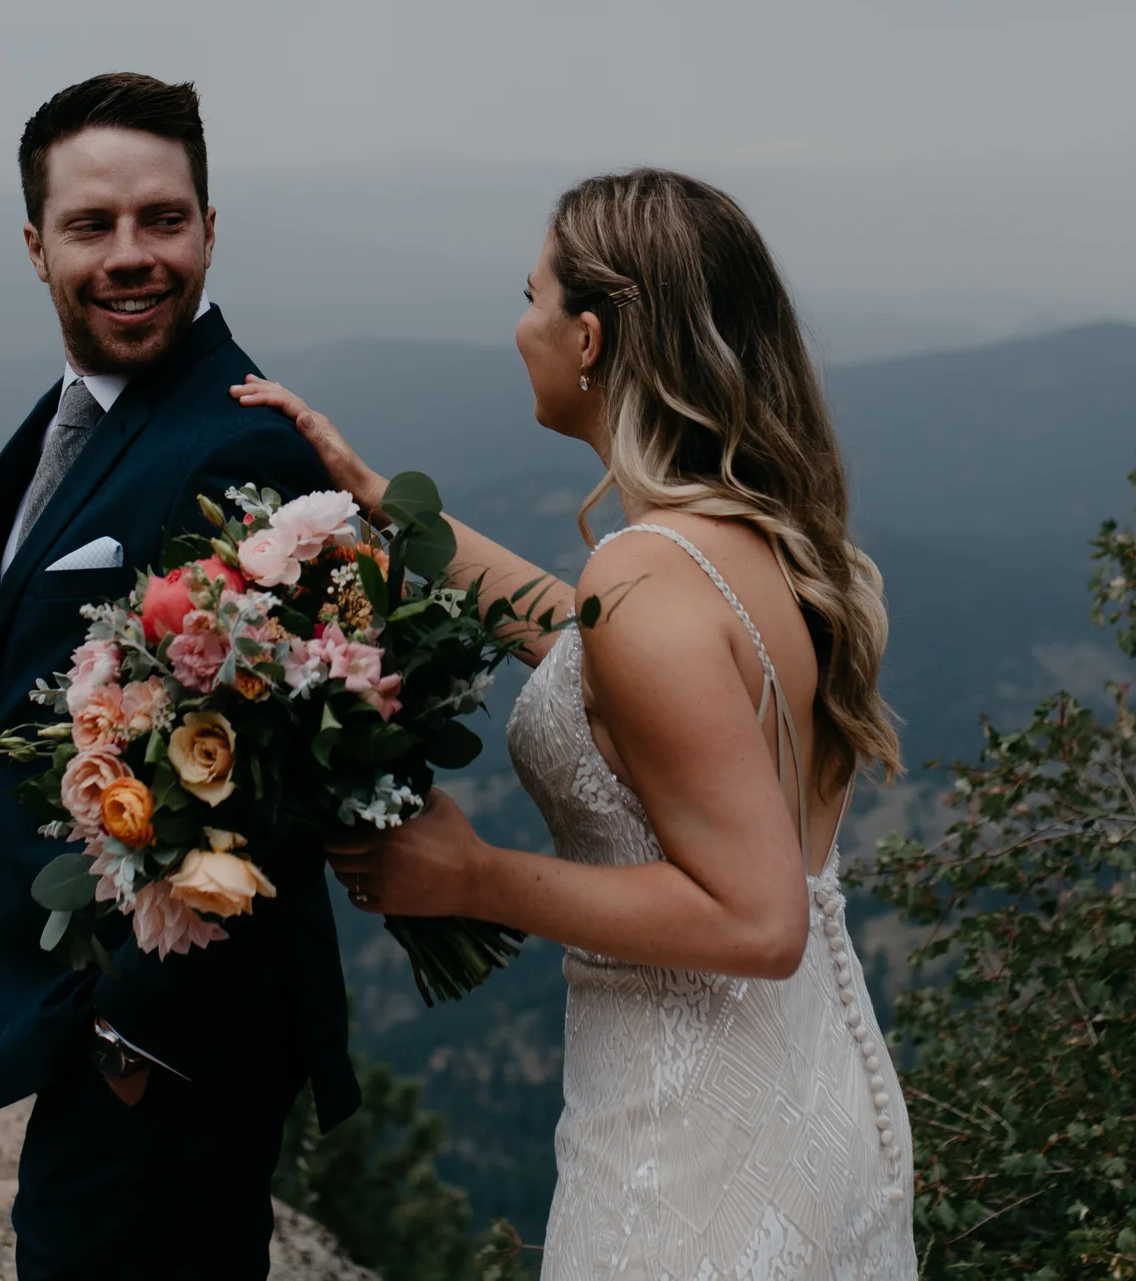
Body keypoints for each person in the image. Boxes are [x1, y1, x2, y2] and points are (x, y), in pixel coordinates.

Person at [235, 167, 916, 1279]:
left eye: (533, 296)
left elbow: (759, 921)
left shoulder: (646, 575)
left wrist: (473, 878)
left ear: (588, 338)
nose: (522, 326)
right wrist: (380, 503)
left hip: (687, 1155)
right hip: (812, 1099)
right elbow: (604, 652)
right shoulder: (761, 549)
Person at [0, 73, 358, 1279]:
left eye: (163, 220)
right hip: (84, 1009)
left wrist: (130, 1037)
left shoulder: (241, 440)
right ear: (36, 246)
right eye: (93, 224)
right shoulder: (80, 415)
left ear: (209, 230)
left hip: (164, 1044)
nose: (132, 254)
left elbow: (273, 776)